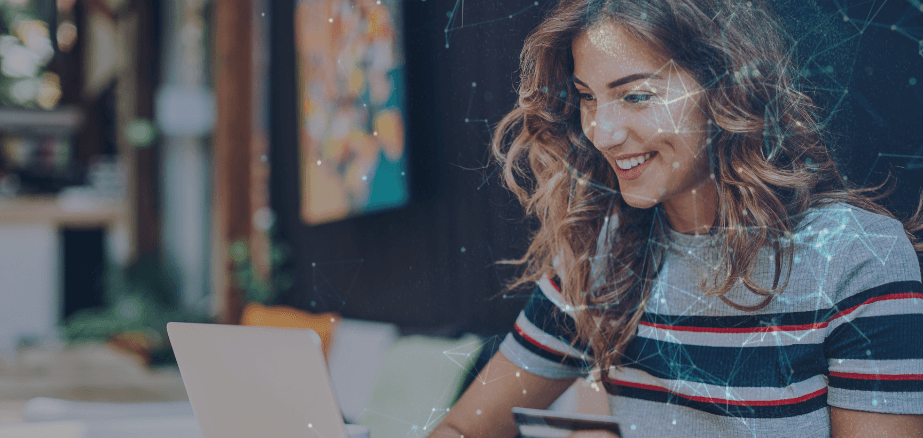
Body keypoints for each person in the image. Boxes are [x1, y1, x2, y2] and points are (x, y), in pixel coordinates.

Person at [426, 0, 923, 437]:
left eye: (635, 96)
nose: (603, 132)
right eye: (587, 97)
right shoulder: (599, 258)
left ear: (724, 88)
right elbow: (461, 427)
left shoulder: (858, 258)